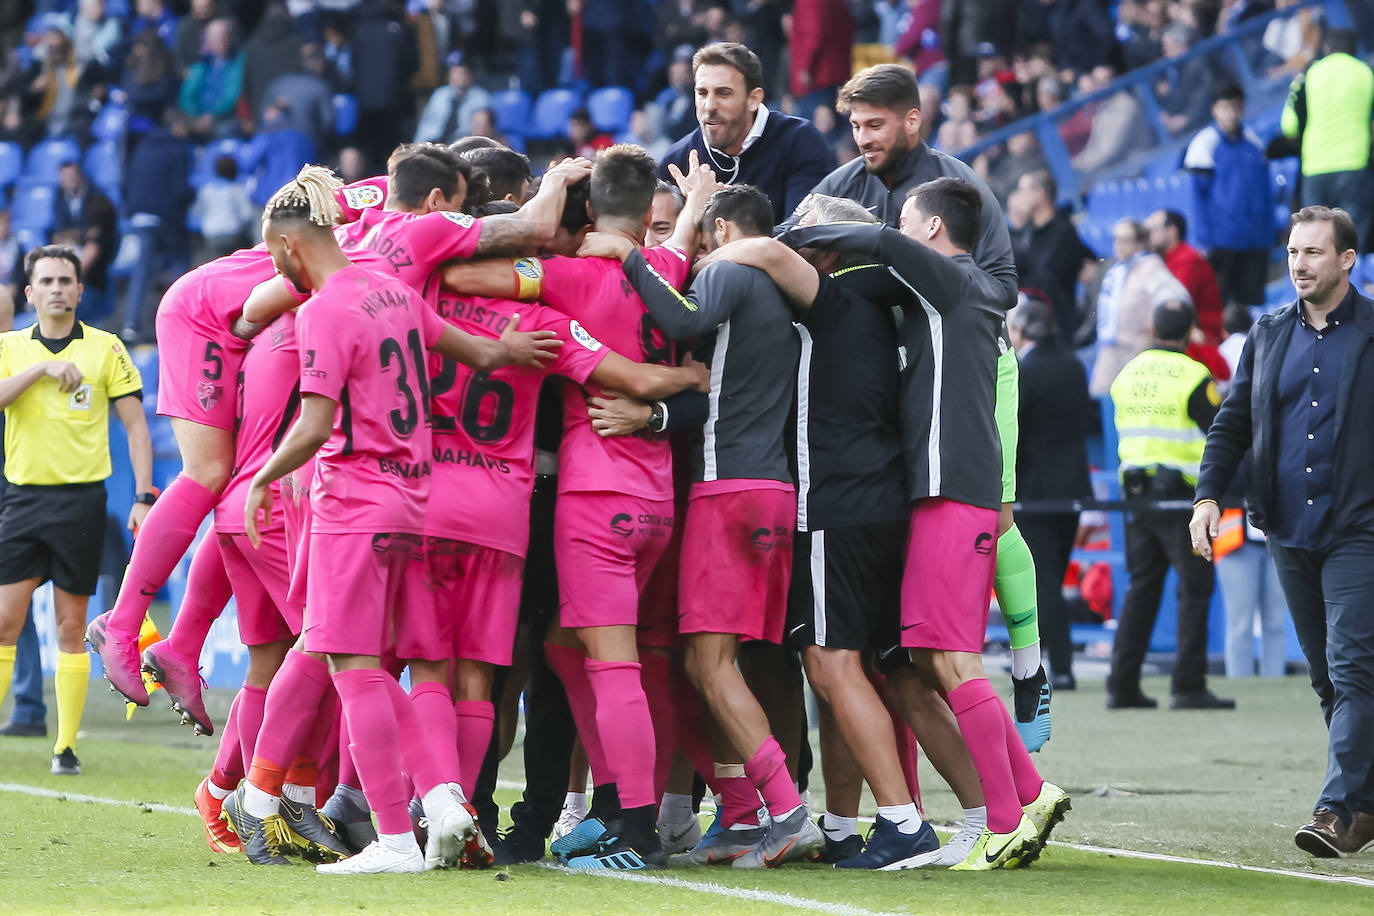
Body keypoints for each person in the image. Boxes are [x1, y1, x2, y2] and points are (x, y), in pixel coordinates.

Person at [776, 178, 1064, 869]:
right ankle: (1023, 795)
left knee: (948, 662)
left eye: (908, 220)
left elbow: (876, 241)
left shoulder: (955, 282)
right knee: (930, 660)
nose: (897, 229)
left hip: (951, 489)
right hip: (939, 492)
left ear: (933, 231)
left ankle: (1004, 815)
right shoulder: (947, 295)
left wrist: (786, 237)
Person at [589, 182, 829, 869]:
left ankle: (785, 812)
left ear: (722, 232)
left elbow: (682, 318)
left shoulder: (731, 270)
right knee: (715, 662)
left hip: (730, 492)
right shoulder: (783, 297)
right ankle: (747, 812)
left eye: (696, 236)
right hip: (773, 493)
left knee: (708, 662)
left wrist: (630, 256)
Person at [1191, 205, 1374, 857]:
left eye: (1314, 253)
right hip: (1288, 529)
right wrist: (1208, 494)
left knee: (1353, 670)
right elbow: (1232, 422)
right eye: (1294, 252)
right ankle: (1365, 804)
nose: (1298, 264)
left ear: (1347, 260)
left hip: (1360, 528)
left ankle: (1334, 809)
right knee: (1328, 677)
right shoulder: (1267, 334)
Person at [0, 246, 153, 776]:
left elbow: (136, 425)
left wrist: (143, 494)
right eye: (47, 280)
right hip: (22, 500)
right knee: (4, 620)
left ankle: (64, 747)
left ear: (80, 291)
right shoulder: (11, 347)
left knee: (70, 627)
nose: (58, 288)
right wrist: (43, 369)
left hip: (82, 503)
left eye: (67, 279)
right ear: (30, 293)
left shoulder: (106, 349)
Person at [1107, 299, 1232, 711]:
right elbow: (1220, 433)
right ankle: (1187, 685)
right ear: (1191, 332)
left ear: (1151, 327)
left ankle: (1121, 686)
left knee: (1141, 588)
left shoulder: (1127, 373)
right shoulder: (1194, 376)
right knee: (1195, 589)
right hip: (1183, 500)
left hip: (1137, 497)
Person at [1008, 295, 1092, 691]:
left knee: (1043, 583)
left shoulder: (1025, 371)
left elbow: (1014, 432)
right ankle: (1060, 664)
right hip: (1073, 487)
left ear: (1021, 330)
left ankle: (1055, 668)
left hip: (1035, 491)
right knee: (1054, 578)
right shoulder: (1075, 365)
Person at [659, 42, 833, 226]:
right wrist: (694, 208)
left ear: (753, 99)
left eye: (723, 93)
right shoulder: (676, 162)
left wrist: (710, 210)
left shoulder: (800, 141)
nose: (709, 106)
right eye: (702, 93)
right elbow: (662, 248)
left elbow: (801, 234)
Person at [1280, 30, 1374, 250]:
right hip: (1355, 165)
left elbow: (1289, 126)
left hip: (1315, 168)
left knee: (1316, 243)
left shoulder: (1308, 74)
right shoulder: (1366, 72)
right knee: (1351, 242)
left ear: (1327, 49)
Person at [1184, 83, 1274, 307]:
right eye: (1225, 107)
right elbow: (1198, 197)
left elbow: (1265, 192)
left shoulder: (1254, 143)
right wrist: (1205, 241)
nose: (1231, 113)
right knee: (1220, 307)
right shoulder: (1204, 144)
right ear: (1214, 109)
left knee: (1252, 308)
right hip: (1222, 242)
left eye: (1236, 107)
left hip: (1255, 240)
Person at [1089, 219, 1191, 395]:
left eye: (1125, 240)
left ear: (1141, 242)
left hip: (1135, 351)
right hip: (1110, 349)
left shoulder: (1150, 268)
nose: (1118, 245)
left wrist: (1155, 326)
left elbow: (1176, 298)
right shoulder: (1117, 270)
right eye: (1116, 239)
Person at [1007, 169, 1096, 346]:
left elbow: (1043, 277)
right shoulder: (1028, 232)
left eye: (1022, 191)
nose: (1017, 197)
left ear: (1039, 195)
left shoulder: (1063, 232)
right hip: (1031, 324)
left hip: (1058, 332)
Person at [51, 160, 118, 322]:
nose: (68, 181)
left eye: (72, 175)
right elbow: (57, 236)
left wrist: (69, 277)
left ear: (80, 174)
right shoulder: (59, 197)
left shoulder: (98, 201)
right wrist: (81, 234)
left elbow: (94, 246)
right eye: (64, 177)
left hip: (93, 283)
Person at [1146, 209, 1223, 344]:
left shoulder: (1188, 259)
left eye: (1153, 229)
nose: (1149, 236)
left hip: (1202, 337)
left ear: (1172, 231)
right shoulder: (1164, 259)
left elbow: (1175, 306)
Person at [177, 18, 244, 141]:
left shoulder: (237, 62)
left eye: (220, 36)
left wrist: (212, 117)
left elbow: (232, 95)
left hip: (224, 119)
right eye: (211, 37)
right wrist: (194, 116)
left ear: (229, 38)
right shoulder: (202, 63)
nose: (215, 40)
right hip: (197, 118)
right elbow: (187, 93)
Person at [413, 53, 491, 146]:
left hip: (461, 145)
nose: (458, 77)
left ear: (470, 75)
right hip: (433, 142)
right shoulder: (439, 94)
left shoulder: (481, 96)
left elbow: (483, 130)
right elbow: (425, 123)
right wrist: (417, 145)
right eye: (455, 73)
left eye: (462, 73)